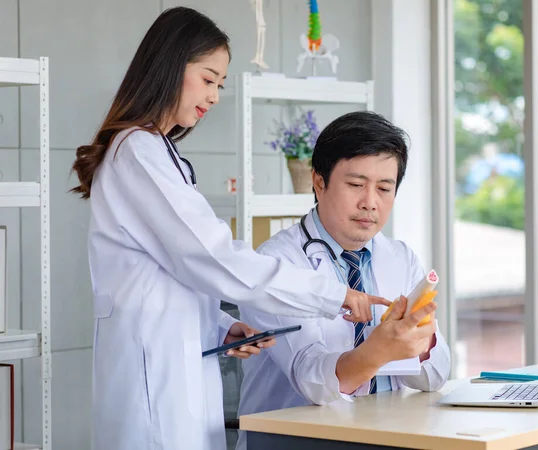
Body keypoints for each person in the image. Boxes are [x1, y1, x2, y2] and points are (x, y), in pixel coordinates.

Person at [70, 8, 390, 450]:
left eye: (220, 84)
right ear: (170, 65)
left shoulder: (155, 154)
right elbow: (212, 257)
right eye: (208, 78)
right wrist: (332, 294)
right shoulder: (139, 152)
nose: (215, 95)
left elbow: (173, 274)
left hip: (172, 373)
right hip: (153, 385)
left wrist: (220, 327)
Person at [236, 111, 452, 450]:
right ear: (319, 182)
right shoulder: (276, 263)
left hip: (384, 436)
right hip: (294, 441)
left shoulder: (401, 257)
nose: (370, 203)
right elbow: (312, 381)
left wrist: (419, 344)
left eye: (384, 188)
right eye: (356, 185)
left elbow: (435, 376)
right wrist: (380, 350)